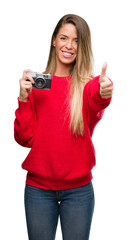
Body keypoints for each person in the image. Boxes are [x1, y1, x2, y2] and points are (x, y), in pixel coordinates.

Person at [14, 14, 113, 240]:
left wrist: (104, 90)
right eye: (64, 38)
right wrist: (24, 99)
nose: (69, 46)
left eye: (76, 40)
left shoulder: (87, 86)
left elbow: (97, 97)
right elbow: (23, 138)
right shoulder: (37, 85)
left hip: (79, 191)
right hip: (38, 190)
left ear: (83, 46)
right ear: (54, 41)